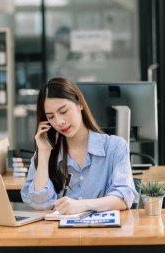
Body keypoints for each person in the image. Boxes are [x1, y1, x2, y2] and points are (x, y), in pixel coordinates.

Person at [21, 77, 138, 214]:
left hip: (104, 233)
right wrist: (44, 153)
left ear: (80, 104)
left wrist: (83, 205)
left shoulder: (115, 146)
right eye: (51, 117)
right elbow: (39, 203)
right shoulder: (44, 153)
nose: (59, 122)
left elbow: (123, 198)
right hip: (60, 234)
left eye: (63, 111)